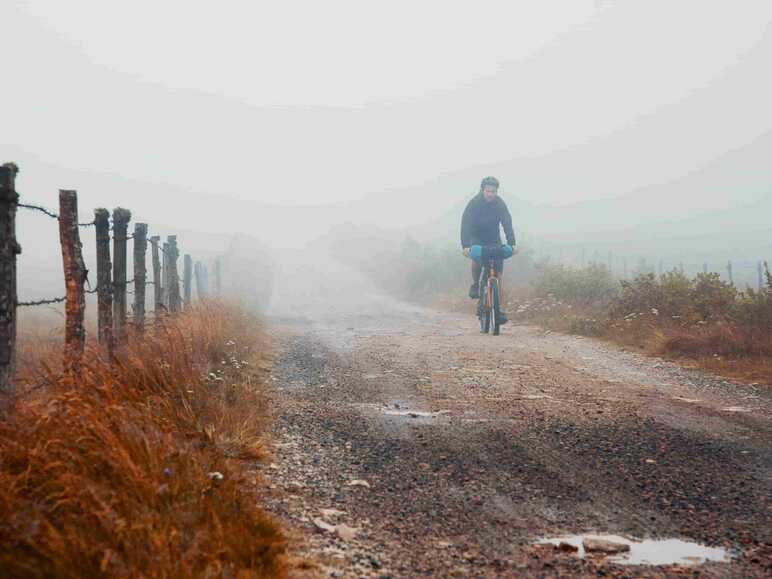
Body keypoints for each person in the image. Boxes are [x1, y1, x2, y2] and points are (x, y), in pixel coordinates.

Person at [460, 176, 517, 323]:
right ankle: (475, 284)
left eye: (493, 191)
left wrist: (512, 243)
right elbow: (465, 224)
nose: (490, 194)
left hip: (494, 240)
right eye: (488, 191)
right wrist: (465, 245)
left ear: (496, 191)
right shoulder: (474, 204)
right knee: (477, 260)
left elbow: (507, 222)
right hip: (476, 238)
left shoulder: (499, 204)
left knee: (498, 275)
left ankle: (497, 308)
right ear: (482, 190)